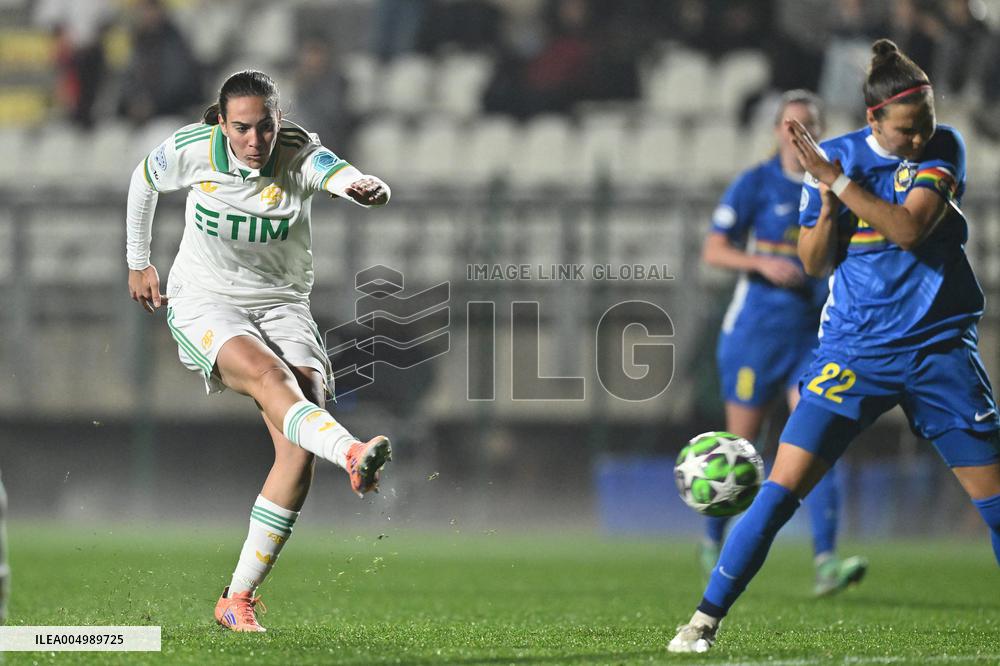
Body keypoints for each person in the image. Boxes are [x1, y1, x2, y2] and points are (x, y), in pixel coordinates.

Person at [670, 39, 1000, 653]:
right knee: (779, 491)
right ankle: (701, 623)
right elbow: (815, 262)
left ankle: (816, 564)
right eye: (906, 128)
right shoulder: (836, 159)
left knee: (997, 505)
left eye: (925, 122)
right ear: (874, 118)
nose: (919, 136)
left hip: (938, 351)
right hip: (854, 353)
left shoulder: (942, 147)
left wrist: (837, 181)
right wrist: (825, 204)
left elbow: (908, 229)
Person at [125, 70, 393, 632]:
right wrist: (138, 261)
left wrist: (362, 185)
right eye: (242, 128)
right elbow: (144, 179)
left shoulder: (298, 151)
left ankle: (237, 598)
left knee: (298, 445)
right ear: (222, 124)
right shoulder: (194, 149)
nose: (254, 140)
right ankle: (350, 452)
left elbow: (337, 173)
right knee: (273, 377)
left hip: (282, 303)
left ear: (279, 121)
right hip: (205, 300)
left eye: (265, 127)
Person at [702, 89, 867, 597]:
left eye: (810, 125)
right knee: (741, 451)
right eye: (792, 125)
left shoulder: (837, 185)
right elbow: (714, 249)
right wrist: (760, 263)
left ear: (821, 131)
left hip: (811, 337)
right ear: (777, 130)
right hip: (754, 336)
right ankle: (713, 544)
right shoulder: (755, 183)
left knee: (815, 441)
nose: (800, 134)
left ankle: (825, 561)